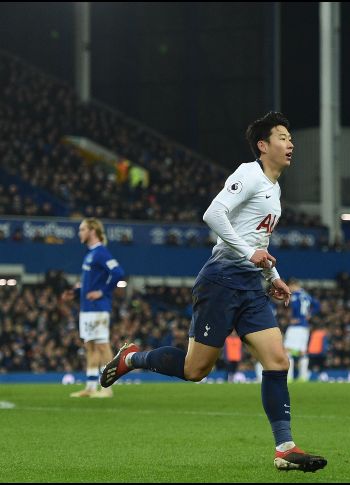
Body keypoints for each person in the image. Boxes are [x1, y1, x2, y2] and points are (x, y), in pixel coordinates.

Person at [99, 112, 327, 472]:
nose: (290, 144)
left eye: (290, 138)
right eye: (282, 137)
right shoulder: (248, 174)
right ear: (263, 145)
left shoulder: (275, 188)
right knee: (195, 370)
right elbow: (213, 214)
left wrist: (273, 276)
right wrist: (249, 254)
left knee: (278, 361)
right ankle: (132, 358)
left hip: (251, 286)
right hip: (221, 281)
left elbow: (259, 240)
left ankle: (285, 448)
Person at [63, 218, 125, 398]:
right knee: (90, 346)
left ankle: (107, 388)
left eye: (82, 229)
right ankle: (90, 387)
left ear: (92, 231)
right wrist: (76, 292)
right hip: (87, 308)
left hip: (98, 307)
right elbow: (91, 283)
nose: (79, 233)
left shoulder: (101, 252)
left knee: (102, 345)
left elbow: (118, 272)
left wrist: (102, 291)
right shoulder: (90, 254)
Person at [284, 278, 320, 382]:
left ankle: (289, 377)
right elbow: (317, 305)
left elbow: (295, 307)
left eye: (289, 286)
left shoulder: (295, 296)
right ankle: (303, 376)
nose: (289, 289)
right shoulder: (307, 295)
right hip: (304, 327)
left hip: (296, 327)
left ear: (293, 285)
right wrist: (309, 314)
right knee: (302, 352)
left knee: (287, 351)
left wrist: (295, 317)